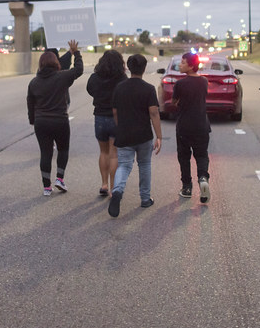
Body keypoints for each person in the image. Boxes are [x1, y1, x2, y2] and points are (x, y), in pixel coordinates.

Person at [108, 53, 162, 217]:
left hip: (124, 134)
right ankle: (145, 199)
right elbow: (153, 113)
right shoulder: (148, 89)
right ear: (144, 68)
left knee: (124, 165)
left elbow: (115, 111)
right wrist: (158, 136)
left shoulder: (120, 87)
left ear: (129, 68)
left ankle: (117, 191)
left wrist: (120, 127)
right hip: (143, 135)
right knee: (144, 165)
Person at [26, 41, 82, 196]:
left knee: (45, 153)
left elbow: (30, 103)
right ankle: (59, 179)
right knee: (63, 149)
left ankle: (46, 187)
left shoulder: (34, 82)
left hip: (41, 122)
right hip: (60, 121)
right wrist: (75, 53)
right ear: (56, 62)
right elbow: (78, 70)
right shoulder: (62, 77)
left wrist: (33, 120)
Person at [172, 51, 211, 204]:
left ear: (190, 65)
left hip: (184, 126)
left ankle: (187, 187)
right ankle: (203, 178)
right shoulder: (204, 82)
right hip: (201, 125)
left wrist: (178, 103)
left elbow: (174, 101)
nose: (179, 65)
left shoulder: (180, 84)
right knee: (201, 155)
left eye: (182, 62)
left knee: (184, 157)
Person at [86, 50, 126, 197]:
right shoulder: (122, 78)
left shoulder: (94, 78)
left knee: (103, 152)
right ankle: (113, 187)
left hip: (100, 117)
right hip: (116, 118)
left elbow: (90, 90)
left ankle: (103, 184)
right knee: (114, 154)